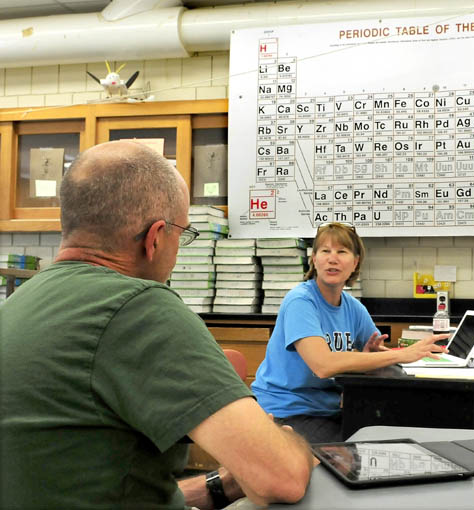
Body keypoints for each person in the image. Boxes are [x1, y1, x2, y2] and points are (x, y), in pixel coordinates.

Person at [0, 141, 314, 510]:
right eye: (183, 233)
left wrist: (219, 486)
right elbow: (282, 479)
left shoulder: (21, 302)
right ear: (155, 237)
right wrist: (294, 446)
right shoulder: (137, 307)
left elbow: (86, 481)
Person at [251, 222, 448, 443]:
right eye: (325, 251)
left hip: (325, 411)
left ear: (355, 263)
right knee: (357, 453)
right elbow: (323, 365)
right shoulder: (301, 301)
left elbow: (375, 352)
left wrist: (373, 356)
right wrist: (400, 354)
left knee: (388, 435)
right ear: (314, 259)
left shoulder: (353, 307)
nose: (332, 259)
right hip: (285, 412)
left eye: (341, 252)